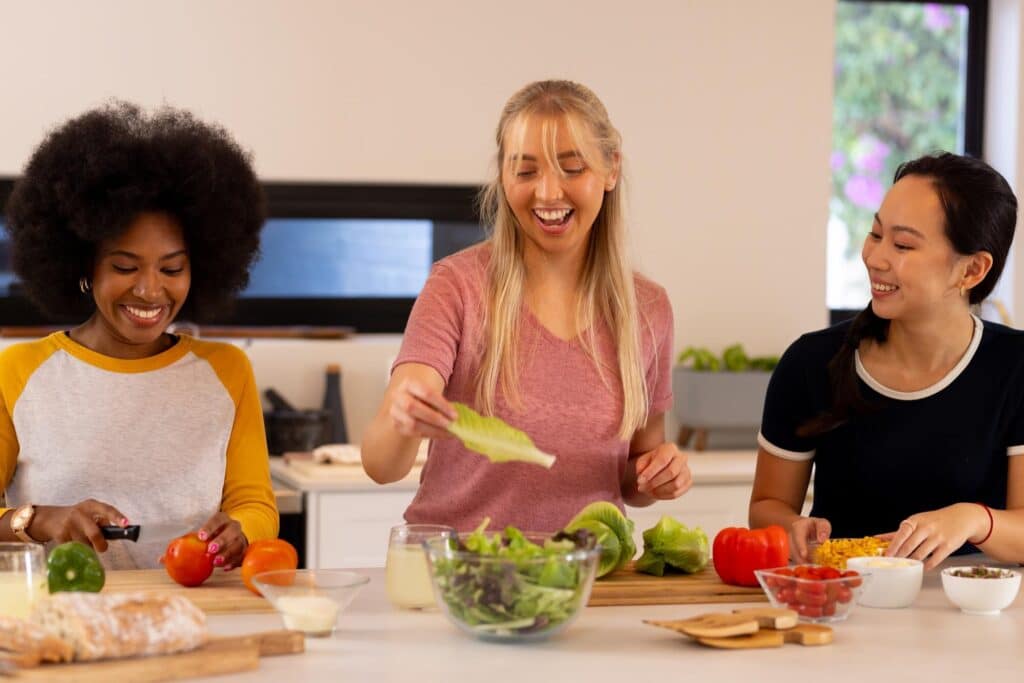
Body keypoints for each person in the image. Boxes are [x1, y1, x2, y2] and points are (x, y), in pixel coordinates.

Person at [361, 80, 691, 531]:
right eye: (526, 170)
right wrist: (404, 420)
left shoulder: (648, 309)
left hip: (584, 567)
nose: (548, 193)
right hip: (462, 565)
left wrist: (659, 476)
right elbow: (381, 465)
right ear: (503, 174)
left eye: (572, 168)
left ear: (611, 168)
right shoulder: (456, 288)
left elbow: (633, 477)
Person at [0, 102, 277, 569]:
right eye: (125, 267)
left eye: (172, 268)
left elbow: (255, 504)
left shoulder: (227, 370)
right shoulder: (19, 371)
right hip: (62, 604)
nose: (150, 290)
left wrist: (240, 530)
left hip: (191, 603)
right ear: (84, 266)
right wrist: (39, 519)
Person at [750, 152, 1024, 570]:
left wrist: (972, 520)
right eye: (875, 234)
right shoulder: (810, 363)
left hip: (969, 605)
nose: (875, 257)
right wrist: (791, 527)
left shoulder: (1015, 367)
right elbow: (767, 507)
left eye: (903, 245)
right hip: (843, 600)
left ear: (972, 270)